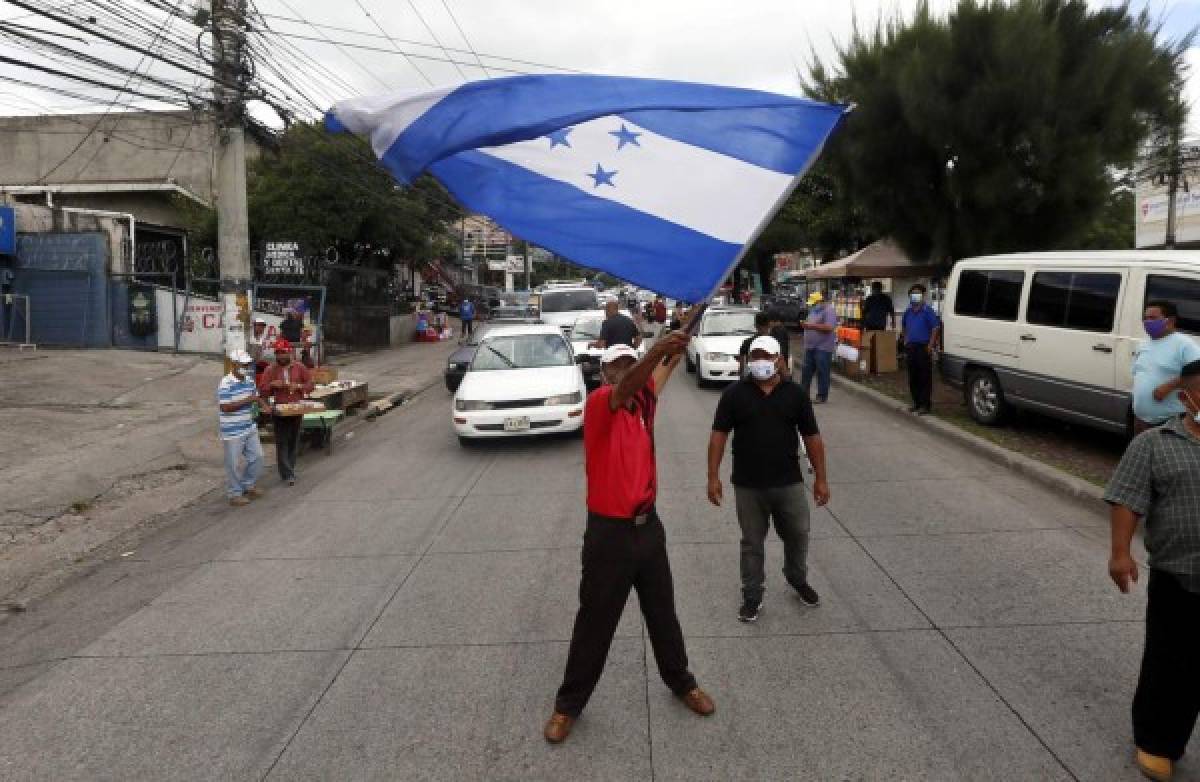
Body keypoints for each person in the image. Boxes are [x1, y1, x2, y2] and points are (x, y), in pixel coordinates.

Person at [544, 335, 715, 744]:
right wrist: (654, 352)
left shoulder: (645, 401)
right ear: (605, 373)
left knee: (663, 613)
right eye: (617, 365)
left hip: (648, 528)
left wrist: (678, 340)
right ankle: (568, 706)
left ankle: (681, 682)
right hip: (608, 536)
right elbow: (630, 384)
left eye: (629, 363)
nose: (623, 371)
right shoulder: (603, 401)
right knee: (594, 623)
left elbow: (664, 368)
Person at [1105, 358, 1200, 782]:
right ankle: (1157, 741)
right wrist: (1120, 553)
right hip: (1179, 575)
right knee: (1171, 664)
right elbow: (1128, 499)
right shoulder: (1154, 444)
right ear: (1187, 397)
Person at [708, 336, 830, 622]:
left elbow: (812, 437)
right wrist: (712, 476)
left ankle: (797, 578)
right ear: (748, 360)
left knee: (798, 534)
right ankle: (752, 595)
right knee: (752, 542)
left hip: (789, 482)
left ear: (779, 359)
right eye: (755, 356)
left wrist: (821, 478)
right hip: (748, 485)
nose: (760, 361)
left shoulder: (795, 394)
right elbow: (718, 436)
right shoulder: (734, 394)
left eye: (766, 356)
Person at [1132, 300, 1200, 433]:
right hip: (1140, 420)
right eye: (1145, 318)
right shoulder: (1143, 345)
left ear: (1170, 320)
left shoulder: (1184, 344)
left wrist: (1169, 386)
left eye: (1153, 318)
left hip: (1169, 422)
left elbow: (1197, 374)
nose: (1147, 322)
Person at [257, 339, 314, 486]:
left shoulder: (299, 367)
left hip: (296, 408)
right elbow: (262, 390)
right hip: (279, 409)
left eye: (283, 352)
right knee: (282, 442)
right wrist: (271, 385)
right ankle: (287, 473)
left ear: (289, 352)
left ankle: (290, 469)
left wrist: (299, 386)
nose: (280, 356)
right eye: (278, 353)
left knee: (293, 441)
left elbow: (310, 385)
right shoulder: (271, 369)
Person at [218, 350, 265, 507]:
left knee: (258, 457)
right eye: (243, 364)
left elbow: (256, 397)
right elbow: (225, 407)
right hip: (232, 431)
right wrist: (248, 400)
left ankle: (248, 484)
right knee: (233, 464)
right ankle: (235, 493)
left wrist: (263, 406)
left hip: (249, 426)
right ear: (234, 364)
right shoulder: (226, 383)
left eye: (247, 364)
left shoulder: (249, 380)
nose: (246, 367)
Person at [901, 284, 941, 415]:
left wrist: (930, 345)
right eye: (913, 294)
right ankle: (916, 403)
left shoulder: (927, 311)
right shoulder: (908, 311)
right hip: (911, 347)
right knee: (913, 377)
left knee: (924, 377)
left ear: (923, 296)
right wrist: (906, 340)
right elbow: (904, 326)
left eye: (918, 293)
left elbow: (935, 328)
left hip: (923, 347)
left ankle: (925, 405)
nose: (915, 296)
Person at [800, 291, 838, 403]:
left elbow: (829, 327)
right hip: (810, 346)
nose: (812, 305)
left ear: (821, 301)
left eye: (814, 303)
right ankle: (803, 395)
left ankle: (821, 396)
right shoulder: (814, 311)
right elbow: (810, 323)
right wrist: (805, 324)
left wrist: (810, 326)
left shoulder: (829, 310)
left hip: (823, 347)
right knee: (806, 371)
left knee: (822, 371)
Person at [739, 312, 791, 376]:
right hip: (773, 378)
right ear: (769, 324)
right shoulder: (777, 342)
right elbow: (784, 361)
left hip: (753, 378)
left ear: (755, 325)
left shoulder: (747, 342)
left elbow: (742, 368)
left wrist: (742, 382)